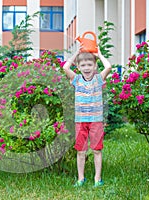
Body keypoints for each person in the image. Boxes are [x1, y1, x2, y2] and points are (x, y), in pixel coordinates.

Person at [63, 46, 112, 187]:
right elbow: (66, 68)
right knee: (81, 151)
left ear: (95, 65)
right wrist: (76, 54)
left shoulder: (98, 79)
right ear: (78, 67)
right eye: (83, 65)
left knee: (97, 150)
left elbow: (108, 66)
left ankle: (97, 178)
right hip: (80, 121)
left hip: (96, 121)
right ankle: (81, 178)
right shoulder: (76, 79)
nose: (86, 68)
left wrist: (99, 55)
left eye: (89, 64)